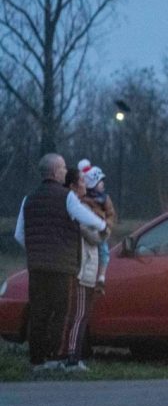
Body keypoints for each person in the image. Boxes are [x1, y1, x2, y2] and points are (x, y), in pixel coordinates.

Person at [14, 154, 107, 371]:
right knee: (59, 312)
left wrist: (35, 252)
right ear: (56, 172)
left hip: (36, 267)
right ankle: (53, 358)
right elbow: (83, 216)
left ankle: (36, 361)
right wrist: (102, 225)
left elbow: (19, 234)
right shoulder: (67, 197)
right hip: (61, 267)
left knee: (38, 312)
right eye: (63, 168)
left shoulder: (28, 199)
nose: (66, 171)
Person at [60, 166, 105, 372]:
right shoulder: (77, 208)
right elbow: (94, 236)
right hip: (83, 268)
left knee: (80, 314)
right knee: (79, 315)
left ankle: (71, 356)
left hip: (86, 266)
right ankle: (72, 358)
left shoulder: (79, 206)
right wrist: (101, 229)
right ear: (72, 186)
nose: (85, 185)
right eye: (81, 181)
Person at [81, 163, 116, 294]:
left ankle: (101, 277)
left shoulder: (105, 198)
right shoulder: (84, 199)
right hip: (90, 231)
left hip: (102, 229)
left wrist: (107, 225)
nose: (102, 184)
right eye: (99, 181)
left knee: (104, 253)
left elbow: (111, 213)